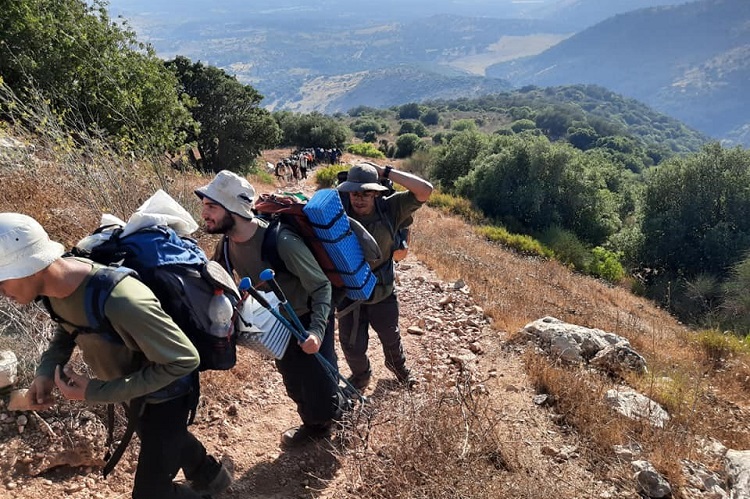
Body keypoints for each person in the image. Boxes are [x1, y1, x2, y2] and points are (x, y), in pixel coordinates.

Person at [0, 213, 231, 499]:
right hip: (131, 390)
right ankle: (210, 475)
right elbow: (68, 328)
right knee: (166, 439)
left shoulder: (121, 299)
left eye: (3, 280)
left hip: (167, 394)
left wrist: (98, 391)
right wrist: (47, 370)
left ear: (31, 268)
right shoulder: (53, 290)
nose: (1, 291)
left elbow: (184, 360)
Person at [195, 171, 345, 447]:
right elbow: (216, 279)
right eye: (205, 205)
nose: (205, 213)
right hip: (276, 323)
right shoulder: (226, 244)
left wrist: (316, 331)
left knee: (319, 381)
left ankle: (327, 422)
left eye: (212, 206)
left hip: (305, 317)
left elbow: (322, 287)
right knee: (293, 379)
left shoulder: (281, 241)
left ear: (233, 210)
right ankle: (315, 421)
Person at [336, 163, 433, 391]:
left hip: (382, 290)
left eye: (366, 193)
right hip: (349, 294)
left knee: (390, 338)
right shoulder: (338, 210)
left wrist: (385, 172)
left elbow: (425, 190)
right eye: (354, 193)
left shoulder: (391, 209)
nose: (359, 199)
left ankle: (400, 372)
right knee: (352, 346)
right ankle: (361, 376)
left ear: (377, 192)